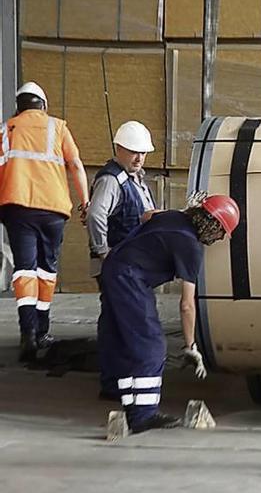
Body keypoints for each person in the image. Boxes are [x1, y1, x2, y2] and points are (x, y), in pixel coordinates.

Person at [97, 194, 239, 433]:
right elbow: (187, 304)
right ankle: (143, 416)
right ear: (213, 226)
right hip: (130, 278)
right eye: (221, 232)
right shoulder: (191, 246)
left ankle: (120, 392)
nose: (220, 238)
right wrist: (191, 346)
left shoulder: (174, 217)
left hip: (113, 267)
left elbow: (147, 216)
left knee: (121, 337)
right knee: (150, 344)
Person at [0, 82, 90, 361]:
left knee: (24, 270)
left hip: (17, 207)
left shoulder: (6, 129)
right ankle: (43, 331)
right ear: (43, 106)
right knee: (46, 270)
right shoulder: (58, 127)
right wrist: (85, 201)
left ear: (20, 106)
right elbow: (75, 165)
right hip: (53, 210)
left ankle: (27, 331)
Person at [87, 121, 157, 399]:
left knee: (121, 321)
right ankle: (113, 381)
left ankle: (119, 379)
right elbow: (95, 215)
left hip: (129, 265)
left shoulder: (134, 179)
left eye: (143, 152)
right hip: (115, 264)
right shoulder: (112, 180)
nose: (139, 157)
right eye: (133, 152)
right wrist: (103, 251)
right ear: (118, 149)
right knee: (118, 323)